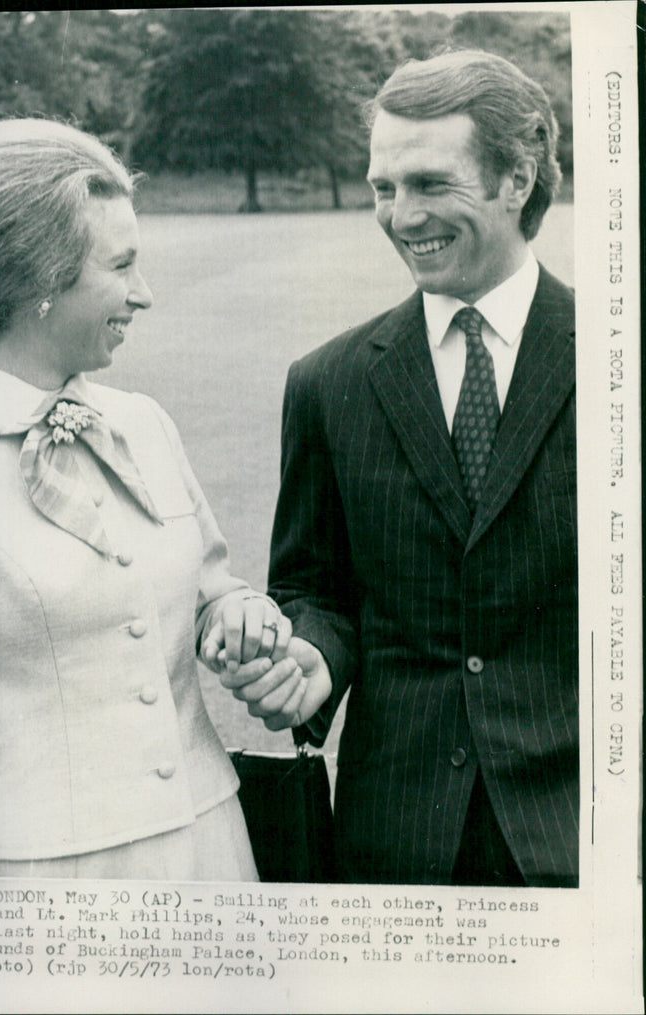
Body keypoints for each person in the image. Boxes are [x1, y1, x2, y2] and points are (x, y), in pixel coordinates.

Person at [0, 117, 291, 880]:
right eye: (121, 266)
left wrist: (236, 614)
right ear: (36, 274)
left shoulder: (144, 424)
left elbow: (207, 592)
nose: (146, 293)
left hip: (214, 851)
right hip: (56, 886)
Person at [224, 49, 578, 887]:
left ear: (517, 178)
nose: (399, 214)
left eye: (428, 184)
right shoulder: (328, 382)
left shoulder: (620, 359)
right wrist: (310, 655)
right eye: (384, 187)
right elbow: (314, 588)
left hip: (588, 837)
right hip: (396, 840)